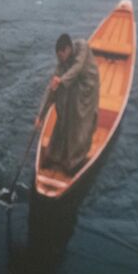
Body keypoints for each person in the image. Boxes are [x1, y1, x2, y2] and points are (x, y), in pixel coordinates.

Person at [36, 33, 100, 173]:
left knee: (78, 116)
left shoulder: (82, 46)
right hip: (72, 82)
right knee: (61, 107)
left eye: (60, 56)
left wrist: (61, 80)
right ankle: (53, 155)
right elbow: (51, 88)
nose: (60, 60)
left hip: (87, 86)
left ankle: (74, 160)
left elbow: (77, 69)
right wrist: (40, 115)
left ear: (67, 49)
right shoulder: (62, 63)